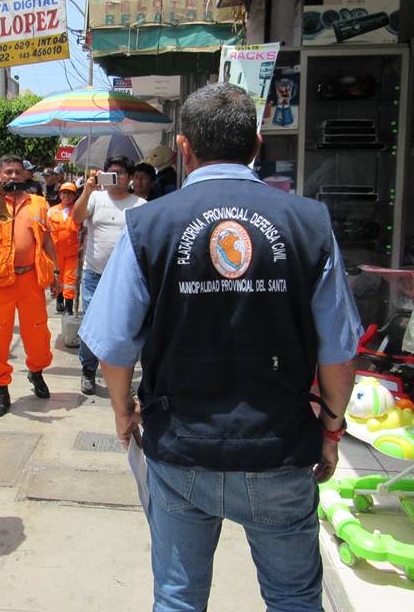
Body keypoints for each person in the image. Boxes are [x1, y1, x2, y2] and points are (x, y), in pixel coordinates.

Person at [79, 83, 361, 612]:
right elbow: (339, 353)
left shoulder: (150, 225)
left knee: (180, 598)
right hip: (278, 448)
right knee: (295, 599)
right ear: (257, 144)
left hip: (182, 448)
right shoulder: (308, 224)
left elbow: (115, 348)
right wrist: (332, 429)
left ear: (183, 148)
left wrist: (123, 412)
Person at [0, 154, 58, 417]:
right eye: (7, 171)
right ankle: (1, 390)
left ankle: (36, 373)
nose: (13, 176)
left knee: (38, 334)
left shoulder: (39, 204)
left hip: (31, 279)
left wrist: (55, 271)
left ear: (25, 175)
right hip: (0, 281)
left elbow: (48, 240)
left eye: (18, 172)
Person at [71, 155, 145, 395]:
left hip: (126, 279)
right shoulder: (95, 198)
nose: (117, 178)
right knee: (91, 326)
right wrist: (87, 190)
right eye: (111, 173)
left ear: (131, 177)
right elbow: (76, 217)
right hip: (94, 275)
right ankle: (88, 371)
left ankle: (122, 377)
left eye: (121, 173)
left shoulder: (140, 205)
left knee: (125, 329)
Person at [47, 182, 81, 314]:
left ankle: (69, 307)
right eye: (64, 192)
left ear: (74, 196)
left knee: (70, 280)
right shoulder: (51, 211)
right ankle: (59, 300)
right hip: (56, 253)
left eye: (70, 193)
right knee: (57, 278)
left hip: (72, 253)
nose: (67, 195)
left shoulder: (78, 210)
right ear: (60, 194)